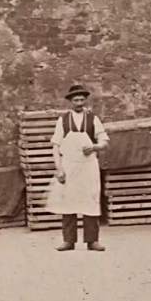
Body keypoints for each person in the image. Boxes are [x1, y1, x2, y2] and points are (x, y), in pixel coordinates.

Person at [47, 84, 109, 252]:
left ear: (85, 100)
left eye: (82, 99)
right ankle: (68, 241)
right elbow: (55, 146)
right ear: (70, 102)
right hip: (70, 166)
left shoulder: (93, 119)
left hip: (89, 166)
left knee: (91, 200)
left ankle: (92, 241)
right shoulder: (63, 120)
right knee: (68, 202)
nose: (79, 103)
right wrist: (59, 169)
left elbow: (104, 141)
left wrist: (95, 147)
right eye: (76, 100)